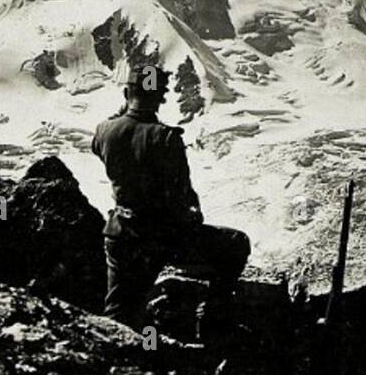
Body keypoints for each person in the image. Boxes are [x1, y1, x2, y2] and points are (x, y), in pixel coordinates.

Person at [91, 63, 249, 329]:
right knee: (236, 244)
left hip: (120, 233)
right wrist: (191, 218)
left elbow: (106, 139)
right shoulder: (165, 138)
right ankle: (212, 319)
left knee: (119, 308)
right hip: (161, 237)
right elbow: (180, 196)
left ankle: (112, 352)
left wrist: (126, 107)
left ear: (128, 92)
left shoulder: (105, 131)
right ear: (160, 97)